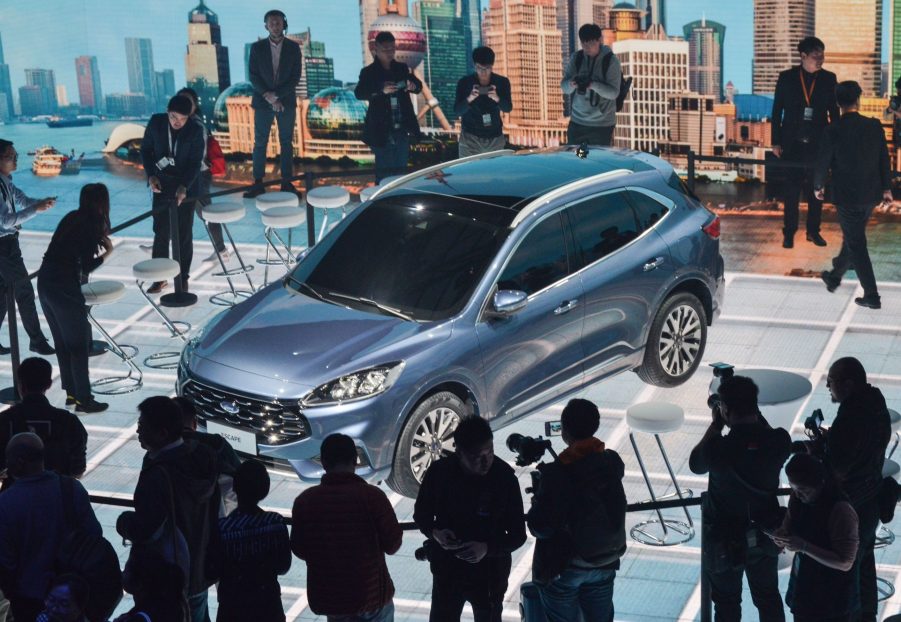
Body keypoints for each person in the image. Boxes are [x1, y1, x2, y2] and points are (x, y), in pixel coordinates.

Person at [689, 375, 791, 622]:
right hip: (765, 534)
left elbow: (696, 464)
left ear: (724, 409)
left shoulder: (718, 449)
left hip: (724, 538)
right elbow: (765, 433)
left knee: (726, 603)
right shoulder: (779, 441)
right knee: (768, 597)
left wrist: (715, 425)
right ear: (755, 406)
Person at [799, 357, 891, 622]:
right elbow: (862, 446)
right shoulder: (875, 402)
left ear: (848, 384)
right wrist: (833, 440)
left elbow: (838, 468)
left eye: (831, 382)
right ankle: (868, 616)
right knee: (865, 564)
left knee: (846, 570)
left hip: (852, 504)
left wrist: (820, 451)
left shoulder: (851, 415)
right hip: (872, 496)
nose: (828, 387)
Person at [116, 397, 220, 622]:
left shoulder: (158, 475)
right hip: (201, 564)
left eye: (143, 427)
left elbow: (147, 529)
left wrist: (124, 523)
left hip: (167, 573)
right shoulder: (204, 456)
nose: (137, 431)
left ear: (162, 433)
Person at [413, 416, 526, 622]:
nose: (486, 461)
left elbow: (518, 535)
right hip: (447, 571)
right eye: (477, 457)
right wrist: (435, 533)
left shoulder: (504, 478)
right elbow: (422, 514)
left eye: (490, 452)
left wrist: (486, 548)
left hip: (490, 575)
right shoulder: (439, 474)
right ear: (459, 452)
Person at [526, 399, 627, 622]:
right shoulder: (612, 461)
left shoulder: (556, 474)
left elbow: (541, 527)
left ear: (565, 430)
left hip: (567, 566)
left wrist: (536, 504)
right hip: (606, 559)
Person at [291, 433, 402, 621]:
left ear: (324, 462)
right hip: (372, 596)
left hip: (333, 600)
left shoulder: (306, 501)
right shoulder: (373, 497)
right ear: (355, 460)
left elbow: (300, 549)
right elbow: (392, 544)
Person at [0, 433, 101, 622]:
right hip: (72, 593)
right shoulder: (72, 489)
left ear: (19, 462)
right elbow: (94, 535)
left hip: (28, 596)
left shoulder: (6, 503)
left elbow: (6, 561)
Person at [37, 183, 114, 414]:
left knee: (62, 344)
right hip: (64, 288)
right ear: (102, 202)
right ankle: (84, 401)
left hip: (45, 282)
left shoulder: (72, 217)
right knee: (79, 347)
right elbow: (86, 266)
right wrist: (108, 252)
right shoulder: (92, 224)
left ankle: (71, 394)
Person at [815, 81, 891, 310]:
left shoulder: (833, 129)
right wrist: (887, 188)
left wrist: (818, 185)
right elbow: (883, 159)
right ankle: (834, 277)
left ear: (838, 103)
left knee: (857, 244)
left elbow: (823, 160)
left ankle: (872, 295)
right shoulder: (874, 125)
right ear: (858, 99)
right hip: (871, 194)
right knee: (853, 238)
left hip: (846, 196)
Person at [771, 453, 860, 622]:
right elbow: (788, 524)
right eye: (793, 488)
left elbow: (845, 562)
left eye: (804, 490)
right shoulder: (797, 497)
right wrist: (783, 533)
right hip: (806, 587)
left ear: (820, 484)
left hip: (832, 597)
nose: (797, 494)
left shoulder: (840, 510)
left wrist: (804, 546)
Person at [771, 36, 838, 249]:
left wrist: (834, 144)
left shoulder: (829, 79)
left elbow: (834, 114)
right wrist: (775, 142)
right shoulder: (787, 78)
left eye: (822, 55)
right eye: (816, 56)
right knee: (791, 192)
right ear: (803, 56)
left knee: (817, 190)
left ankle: (813, 231)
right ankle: (789, 232)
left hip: (818, 144)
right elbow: (776, 112)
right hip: (792, 144)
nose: (821, 60)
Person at [140, 95, 205, 294]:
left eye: (183, 118)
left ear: (189, 117)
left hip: (187, 185)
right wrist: (151, 176)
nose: (178, 122)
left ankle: (182, 277)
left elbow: (195, 163)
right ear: (168, 112)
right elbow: (146, 151)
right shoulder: (156, 123)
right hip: (162, 183)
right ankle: (159, 278)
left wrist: (184, 186)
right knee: (161, 232)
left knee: (184, 234)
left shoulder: (195, 130)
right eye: (174, 117)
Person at [214, 460, 290, 622]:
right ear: (265, 489)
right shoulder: (274, 523)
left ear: (235, 487)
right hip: (268, 606)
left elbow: (211, 570)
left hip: (232, 608)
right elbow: (283, 566)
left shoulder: (222, 529)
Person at [0, 138, 56, 355]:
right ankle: (37, 340)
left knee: (4, 292)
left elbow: (23, 201)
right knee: (23, 290)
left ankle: (36, 340)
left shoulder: (7, 182)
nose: (15, 159)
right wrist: (37, 209)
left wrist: (41, 203)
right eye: (10, 156)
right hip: (4, 246)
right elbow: (4, 221)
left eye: (15, 155)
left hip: (8, 244)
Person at [245, 9, 302, 198]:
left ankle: (287, 183)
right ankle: (258, 183)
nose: (275, 26)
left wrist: (276, 96)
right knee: (260, 143)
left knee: (286, 143)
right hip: (262, 102)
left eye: (278, 22)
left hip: (286, 101)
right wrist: (268, 96)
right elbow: (253, 75)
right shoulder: (257, 47)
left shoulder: (294, 48)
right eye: (271, 23)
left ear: (283, 24)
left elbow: (295, 77)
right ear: (266, 26)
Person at [0, 357, 88, 475]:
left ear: (20, 385)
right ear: (49, 384)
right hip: (57, 491)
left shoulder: (5, 420)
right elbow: (78, 468)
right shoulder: (69, 422)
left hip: (16, 490)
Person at [355, 31, 423, 182]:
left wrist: (412, 86)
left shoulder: (401, 68)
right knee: (384, 177)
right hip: (381, 132)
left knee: (401, 176)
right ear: (376, 49)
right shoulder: (368, 72)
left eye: (392, 48)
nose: (390, 52)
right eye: (386, 49)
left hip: (401, 130)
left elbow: (418, 86)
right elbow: (359, 93)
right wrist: (380, 89)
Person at [175, 88, 228, 264]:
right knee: (185, 210)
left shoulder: (195, 124)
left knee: (206, 213)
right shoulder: (185, 123)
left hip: (199, 175)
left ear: (194, 105)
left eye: (187, 101)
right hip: (193, 175)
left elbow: (198, 154)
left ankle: (221, 250)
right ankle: (221, 250)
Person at [173, 397, 242, 516]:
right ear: (194, 423)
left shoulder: (162, 451)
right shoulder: (217, 444)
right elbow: (241, 478)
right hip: (218, 521)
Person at [561, 24, 621, 147]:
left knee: (595, 161)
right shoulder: (577, 58)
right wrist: (572, 83)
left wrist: (593, 84)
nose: (587, 48)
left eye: (591, 44)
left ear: (600, 40)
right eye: (584, 44)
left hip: (601, 125)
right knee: (578, 159)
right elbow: (565, 88)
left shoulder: (610, 61)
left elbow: (613, 93)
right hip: (578, 122)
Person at [454, 46, 512, 157]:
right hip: (470, 137)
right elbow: (457, 110)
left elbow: (508, 108)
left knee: (495, 173)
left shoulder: (502, 82)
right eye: (480, 68)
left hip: (494, 137)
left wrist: (497, 98)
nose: (483, 72)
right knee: (469, 173)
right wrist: (470, 98)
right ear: (475, 66)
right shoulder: (465, 82)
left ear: (492, 67)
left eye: (487, 68)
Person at [112, 551, 190, 622]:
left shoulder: (143, 617)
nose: (122, 573)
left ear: (139, 585)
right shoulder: (167, 603)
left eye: (126, 570)